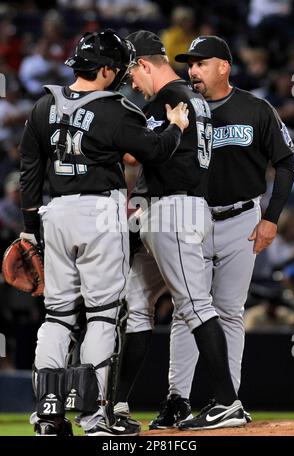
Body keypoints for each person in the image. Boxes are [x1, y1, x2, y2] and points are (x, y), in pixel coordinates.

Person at [19, 29, 189, 437]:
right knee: (101, 316)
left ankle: (47, 416)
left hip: (54, 214)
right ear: (108, 70)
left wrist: (29, 232)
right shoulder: (116, 110)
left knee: (58, 317)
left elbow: (29, 172)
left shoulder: (43, 106)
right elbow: (155, 151)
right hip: (97, 213)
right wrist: (177, 126)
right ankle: (94, 418)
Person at [148, 35, 294, 430]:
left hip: (240, 221)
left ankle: (225, 400)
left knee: (229, 311)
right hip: (189, 219)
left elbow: (286, 163)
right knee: (187, 309)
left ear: (224, 66)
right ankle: (177, 399)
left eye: (201, 63)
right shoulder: (178, 108)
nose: (193, 70)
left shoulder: (256, 108)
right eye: (190, 64)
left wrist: (271, 218)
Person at [115, 30, 248, 431]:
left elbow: (146, 149)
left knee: (194, 305)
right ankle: (119, 405)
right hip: (161, 207)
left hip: (175, 208)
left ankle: (227, 401)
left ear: (142, 63)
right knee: (137, 305)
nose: (131, 83)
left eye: (131, 74)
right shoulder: (191, 99)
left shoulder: (171, 98)